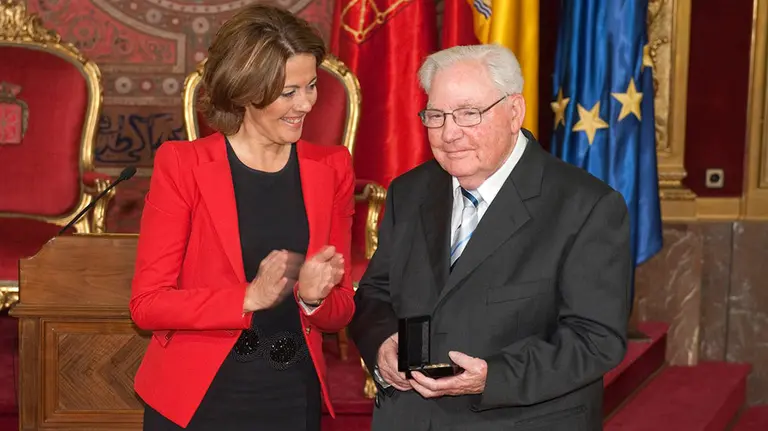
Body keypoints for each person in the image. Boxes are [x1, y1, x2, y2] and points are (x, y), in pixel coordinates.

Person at [349, 44, 631, 431]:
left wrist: (492, 377)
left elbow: (596, 339)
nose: (449, 133)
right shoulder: (408, 192)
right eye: (436, 115)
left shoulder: (586, 206)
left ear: (514, 112)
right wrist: (382, 345)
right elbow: (375, 294)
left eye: (469, 114)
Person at [129, 5, 355, 430]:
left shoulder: (333, 168)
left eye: (310, 86)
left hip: (290, 395)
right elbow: (147, 305)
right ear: (245, 91)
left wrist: (313, 298)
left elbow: (342, 309)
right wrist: (248, 297)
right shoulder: (183, 166)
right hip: (197, 398)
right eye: (289, 92)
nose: (305, 104)